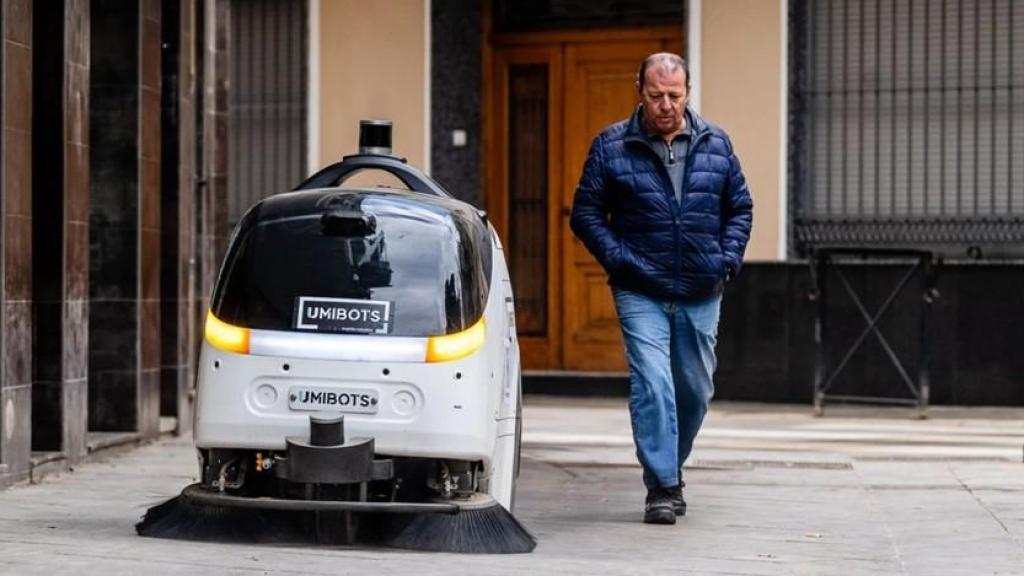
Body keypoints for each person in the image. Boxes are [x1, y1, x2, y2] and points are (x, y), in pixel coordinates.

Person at [569, 52, 753, 525]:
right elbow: (587, 213)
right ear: (640, 92)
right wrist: (619, 260)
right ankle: (663, 486)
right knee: (653, 383)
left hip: (701, 285)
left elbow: (740, 208)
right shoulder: (611, 146)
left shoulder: (717, 143)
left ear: (688, 93)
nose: (666, 105)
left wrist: (725, 260)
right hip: (640, 287)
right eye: (656, 96)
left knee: (694, 390)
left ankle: (672, 464)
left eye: (674, 95)